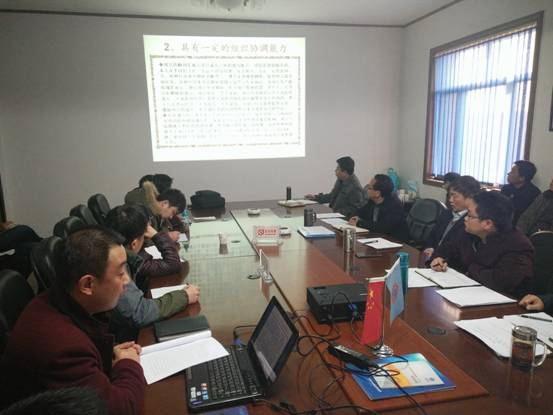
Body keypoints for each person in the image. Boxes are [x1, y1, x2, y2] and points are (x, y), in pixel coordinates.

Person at [0, 227, 145, 415]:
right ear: (87, 284)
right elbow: (121, 410)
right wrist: (129, 364)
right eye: (120, 273)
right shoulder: (62, 347)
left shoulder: (59, 298)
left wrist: (110, 355)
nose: (126, 280)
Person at [104, 205, 200, 341]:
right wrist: (184, 296)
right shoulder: (117, 265)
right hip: (121, 338)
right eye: (144, 236)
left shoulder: (111, 250)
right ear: (134, 244)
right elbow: (138, 313)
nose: (124, 279)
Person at [430, 191, 534, 298]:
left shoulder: (518, 245)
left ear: (487, 224)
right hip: (465, 292)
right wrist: (439, 259)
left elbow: (500, 282)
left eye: (469, 215)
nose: (465, 218)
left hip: (499, 302)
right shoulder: (468, 232)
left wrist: (469, 268)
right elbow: (446, 249)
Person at [423, 175, 480, 258]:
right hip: (431, 258)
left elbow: (462, 253)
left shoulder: (472, 221)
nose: (450, 200)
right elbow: (432, 236)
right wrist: (429, 248)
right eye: (450, 195)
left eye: (455, 196)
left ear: (469, 197)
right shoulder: (446, 213)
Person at [348, 174, 408, 241]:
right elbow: (360, 212)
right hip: (376, 238)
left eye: (370, 188)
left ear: (377, 193)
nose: (367, 190)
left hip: (394, 241)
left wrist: (359, 223)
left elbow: (382, 227)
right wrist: (355, 218)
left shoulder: (395, 205)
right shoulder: (372, 201)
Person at [501, 160, 540, 224]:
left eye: (512, 172)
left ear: (522, 178)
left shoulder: (534, 194)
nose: (508, 173)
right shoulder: (506, 188)